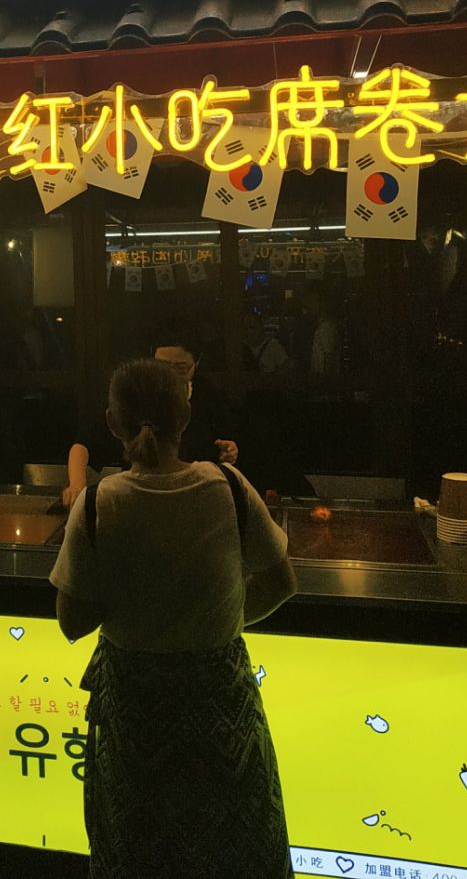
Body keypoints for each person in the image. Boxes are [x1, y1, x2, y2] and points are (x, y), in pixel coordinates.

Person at [50, 359, 296, 878]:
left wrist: (134, 600)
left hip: (133, 718)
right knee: (240, 852)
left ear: (113, 422)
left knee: (137, 857)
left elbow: (72, 621)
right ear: (185, 417)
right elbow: (281, 583)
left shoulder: (97, 504)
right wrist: (219, 617)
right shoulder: (228, 486)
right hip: (223, 708)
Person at [62, 327, 238, 507]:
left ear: (196, 363)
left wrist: (229, 451)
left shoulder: (209, 396)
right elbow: (84, 443)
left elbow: (226, 443)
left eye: (181, 368)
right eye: (163, 366)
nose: (170, 375)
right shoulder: (137, 394)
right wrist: (76, 486)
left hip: (197, 497)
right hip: (136, 495)